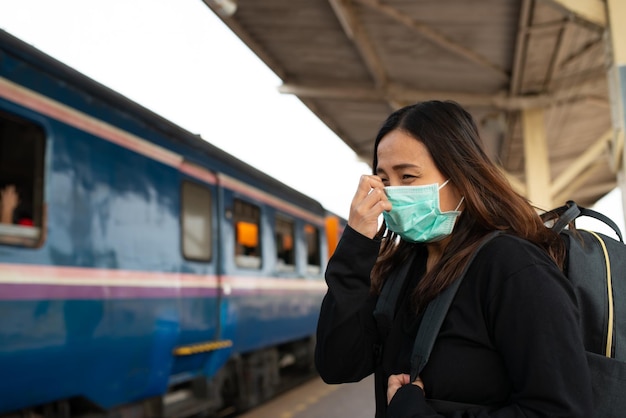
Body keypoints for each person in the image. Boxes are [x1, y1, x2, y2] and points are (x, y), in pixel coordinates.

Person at [314, 100, 592, 417]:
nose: (392, 195)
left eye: (407, 177)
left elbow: (561, 410)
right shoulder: (403, 267)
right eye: (384, 181)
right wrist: (356, 244)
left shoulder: (514, 268)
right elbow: (338, 365)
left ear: (459, 177)